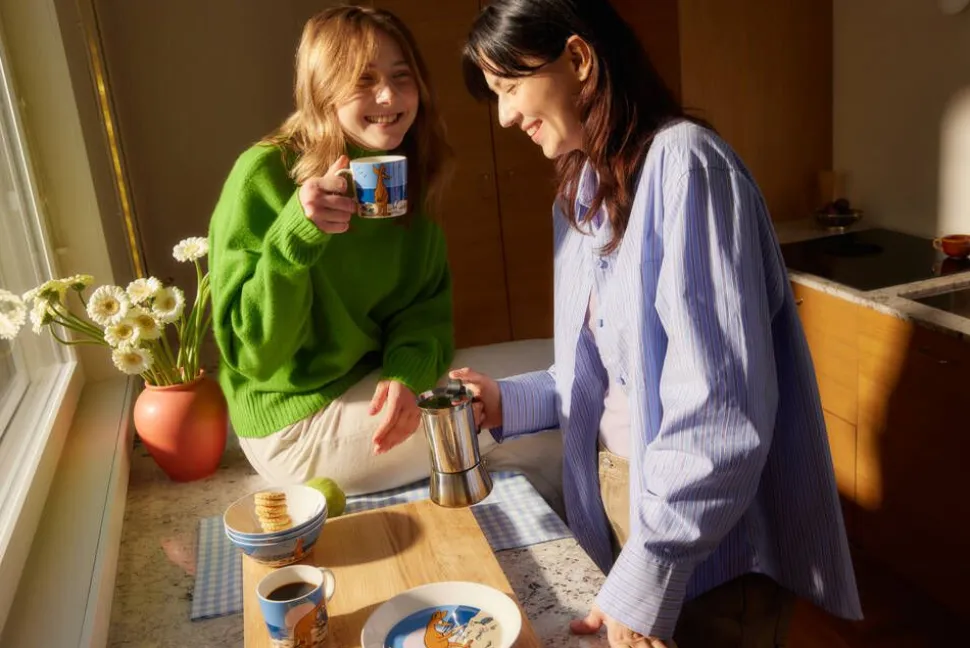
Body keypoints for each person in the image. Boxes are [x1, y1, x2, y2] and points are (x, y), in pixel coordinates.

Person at [455, 0, 863, 646]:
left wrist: (648, 570)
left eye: (509, 87)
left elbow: (719, 413)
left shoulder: (688, 168)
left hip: (704, 548)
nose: (504, 116)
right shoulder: (579, 197)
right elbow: (605, 378)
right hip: (629, 514)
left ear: (578, 59)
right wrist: (506, 400)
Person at [207, 6, 455, 495]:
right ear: (324, 89)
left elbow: (422, 309)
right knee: (527, 404)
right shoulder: (264, 174)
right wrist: (296, 235)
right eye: (364, 80)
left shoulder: (403, 169)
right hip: (292, 423)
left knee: (537, 395)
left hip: (367, 388)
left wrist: (406, 376)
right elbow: (253, 357)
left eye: (401, 76)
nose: (388, 96)